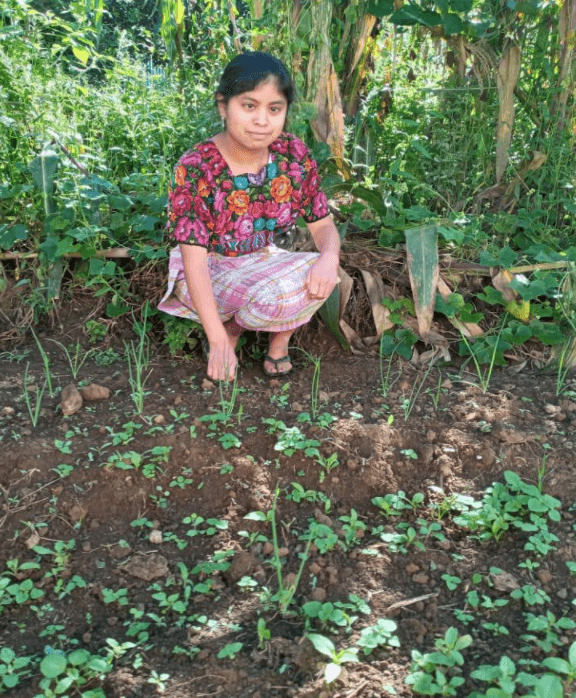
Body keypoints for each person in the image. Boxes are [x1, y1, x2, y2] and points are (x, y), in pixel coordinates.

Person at [158, 51, 341, 381]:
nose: (262, 121)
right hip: (208, 270)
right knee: (280, 292)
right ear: (222, 106)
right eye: (249, 105)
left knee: (326, 272)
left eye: (274, 109)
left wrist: (329, 256)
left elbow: (323, 224)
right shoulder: (197, 165)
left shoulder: (292, 154)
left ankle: (278, 342)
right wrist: (218, 344)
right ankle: (227, 331)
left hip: (263, 261)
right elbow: (194, 262)